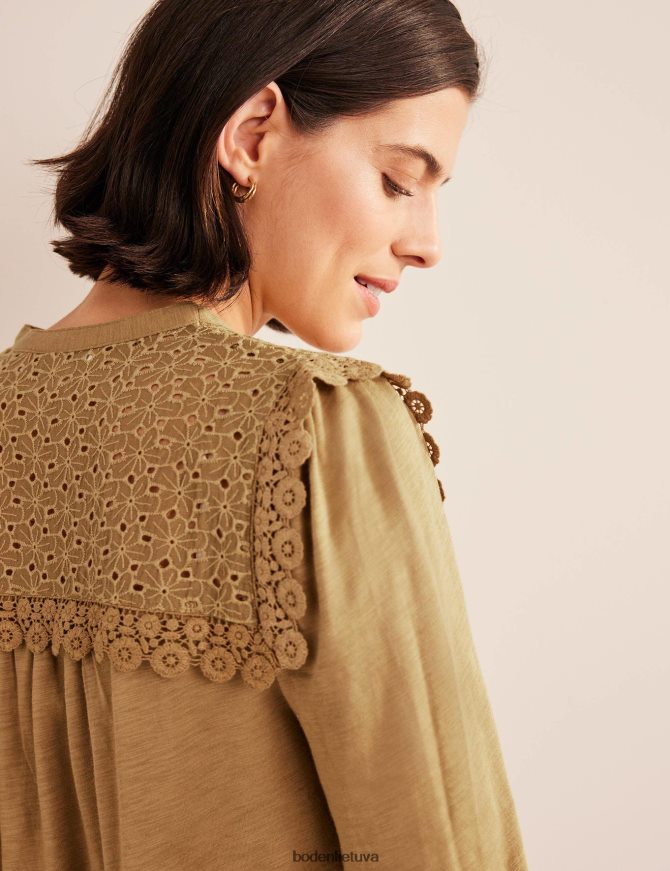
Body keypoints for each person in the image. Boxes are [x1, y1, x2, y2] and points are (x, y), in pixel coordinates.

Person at [0, 1, 529, 868]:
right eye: (399, 180)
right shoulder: (318, 426)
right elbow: (436, 838)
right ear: (251, 136)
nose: (427, 243)